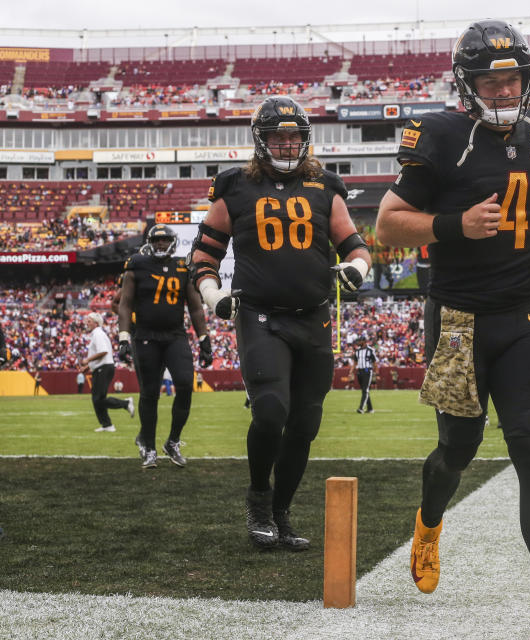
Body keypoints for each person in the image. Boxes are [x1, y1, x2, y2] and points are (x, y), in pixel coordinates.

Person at [375, 20, 530, 636]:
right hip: (459, 321)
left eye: (512, 79)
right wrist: (454, 224)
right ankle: (428, 523)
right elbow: (387, 225)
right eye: (490, 80)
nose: (503, 91)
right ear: (466, 84)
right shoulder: (442, 135)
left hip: (524, 315)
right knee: (458, 450)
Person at [189, 95, 371, 549]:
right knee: (271, 412)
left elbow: (357, 247)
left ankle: (281, 512)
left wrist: (355, 270)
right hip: (261, 316)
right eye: (279, 136)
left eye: (294, 136)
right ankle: (258, 499)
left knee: (306, 424)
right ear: (261, 140)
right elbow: (204, 255)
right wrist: (214, 294)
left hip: (313, 319)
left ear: (305, 139)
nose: (288, 144)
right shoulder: (234, 187)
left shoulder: (326, 187)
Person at [117, 224, 212, 469]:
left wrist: (204, 338)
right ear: (150, 242)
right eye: (157, 240)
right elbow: (125, 304)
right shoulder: (136, 264)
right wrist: (124, 337)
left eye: (165, 239)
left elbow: (195, 306)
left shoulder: (183, 266)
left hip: (174, 335)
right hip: (146, 336)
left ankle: (173, 441)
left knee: (184, 384)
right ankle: (148, 446)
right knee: (149, 393)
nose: (161, 244)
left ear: (172, 241)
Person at [81, 312, 135, 433]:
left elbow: (103, 352)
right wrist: (89, 367)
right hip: (101, 367)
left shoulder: (98, 334)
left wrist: (87, 360)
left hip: (103, 368)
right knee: (98, 398)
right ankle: (107, 425)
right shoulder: (97, 334)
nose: (87, 323)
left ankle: (126, 403)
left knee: (98, 399)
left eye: (89, 321)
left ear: (96, 323)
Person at [352, 337, 376, 414]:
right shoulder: (357, 351)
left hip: (367, 371)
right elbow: (355, 362)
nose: (358, 342)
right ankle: (370, 408)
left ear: (364, 341)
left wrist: (376, 372)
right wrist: (351, 371)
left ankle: (361, 408)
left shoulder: (370, 350)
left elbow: (374, 362)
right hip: (360, 372)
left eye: (359, 341)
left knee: (365, 390)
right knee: (364, 390)